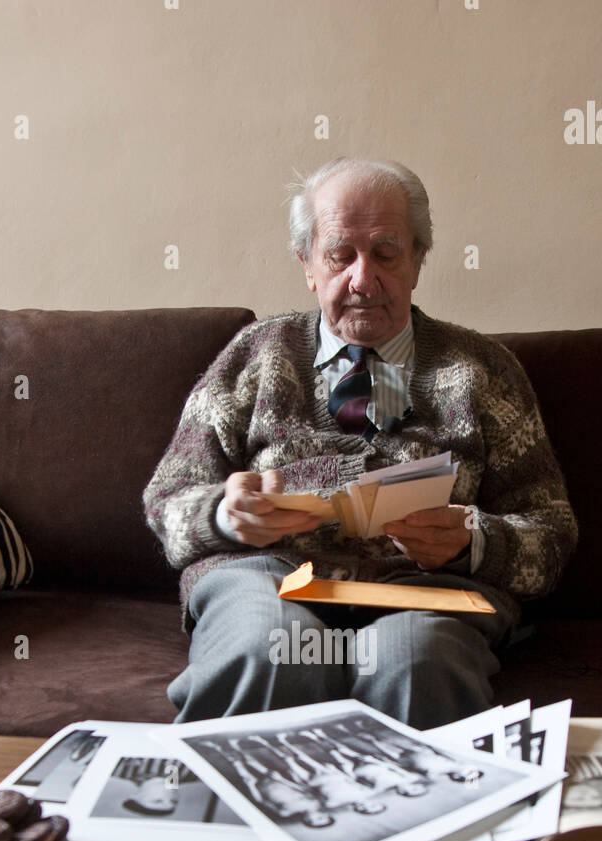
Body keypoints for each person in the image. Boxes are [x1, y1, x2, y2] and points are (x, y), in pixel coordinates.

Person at [144, 157, 577, 730]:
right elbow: (167, 497)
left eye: (387, 254)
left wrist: (472, 541)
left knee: (412, 662)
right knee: (272, 650)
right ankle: (227, 816)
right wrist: (226, 515)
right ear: (307, 264)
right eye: (340, 254)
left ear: (419, 261)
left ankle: (420, 820)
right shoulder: (255, 355)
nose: (363, 280)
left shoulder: (484, 371)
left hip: (427, 593)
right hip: (267, 579)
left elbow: (550, 532)